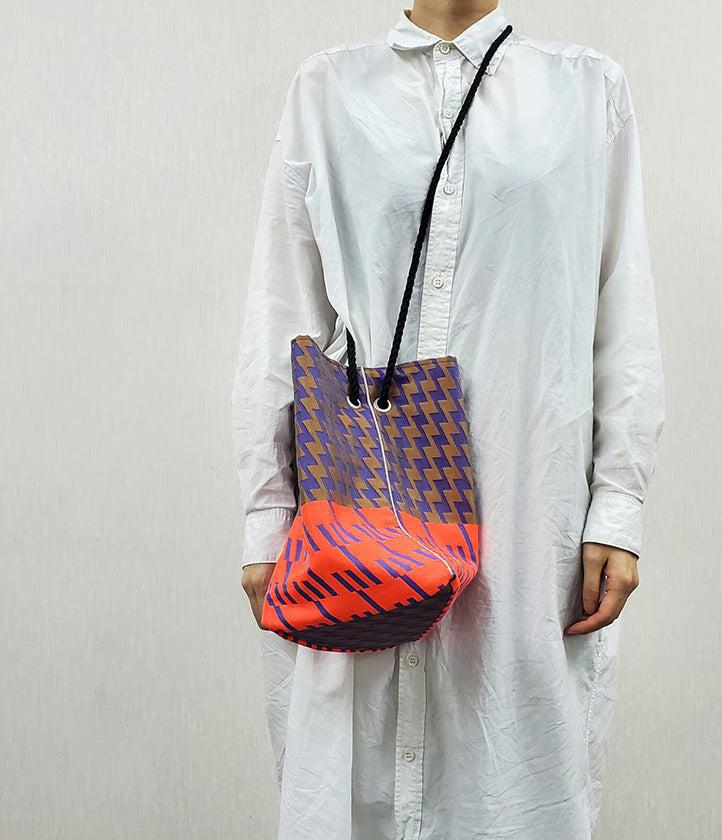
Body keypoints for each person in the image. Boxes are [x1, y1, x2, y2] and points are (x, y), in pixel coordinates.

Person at [231, 2, 665, 838]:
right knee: (355, 773)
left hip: (527, 510)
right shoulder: (328, 90)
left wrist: (619, 502)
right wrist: (266, 513)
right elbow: (281, 313)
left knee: (514, 771)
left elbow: (623, 311)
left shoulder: (586, 93)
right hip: (354, 517)